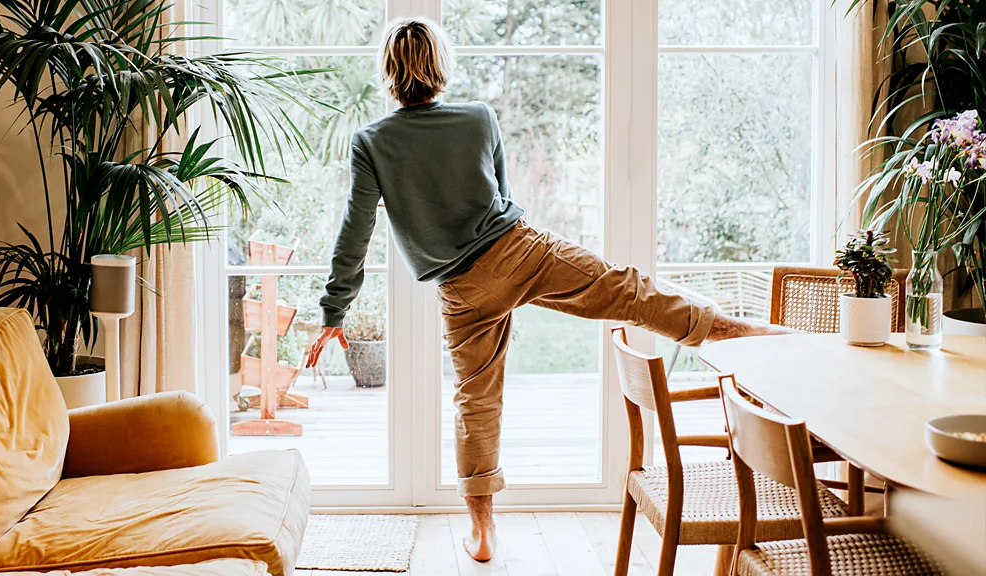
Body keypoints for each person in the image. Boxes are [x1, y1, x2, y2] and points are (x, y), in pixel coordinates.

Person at [305, 16, 792, 562]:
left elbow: (356, 231)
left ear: (389, 72)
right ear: (439, 66)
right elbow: (502, 195)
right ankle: (732, 330)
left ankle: (483, 531)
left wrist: (334, 312)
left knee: (476, 400)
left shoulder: (372, 140)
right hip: (517, 250)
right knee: (626, 291)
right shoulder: (479, 118)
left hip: (461, 288)